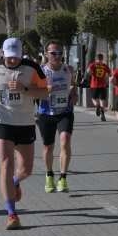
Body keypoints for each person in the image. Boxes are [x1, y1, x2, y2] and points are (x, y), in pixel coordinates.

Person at [0, 38, 48, 230]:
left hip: (25, 123)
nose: (13, 60)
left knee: (26, 170)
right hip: (1, 121)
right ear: (3, 53)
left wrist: (25, 89)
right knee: (6, 163)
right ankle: (12, 214)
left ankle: (15, 182)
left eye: (16, 56)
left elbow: (45, 92)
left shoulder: (32, 68)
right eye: (9, 56)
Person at [35, 41, 76, 194]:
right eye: (53, 53)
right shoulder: (41, 72)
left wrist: (74, 94)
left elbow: (72, 85)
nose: (57, 56)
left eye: (59, 53)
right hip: (46, 113)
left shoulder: (68, 69)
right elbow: (33, 92)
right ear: (46, 54)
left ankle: (63, 178)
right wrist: (46, 90)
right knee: (48, 147)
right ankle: (49, 175)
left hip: (65, 112)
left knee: (65, 141)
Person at [86, 53, 111, 120]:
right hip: (103, 85)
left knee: (94, 98)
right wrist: (106, 78)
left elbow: (88, 71)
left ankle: (97, 106)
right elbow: (110, 74)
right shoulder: (104, 66)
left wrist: (91, 73)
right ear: (102, 59)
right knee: (102, 100)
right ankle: (102, 112)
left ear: (96, 58)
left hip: (94, 85)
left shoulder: (93, 64)